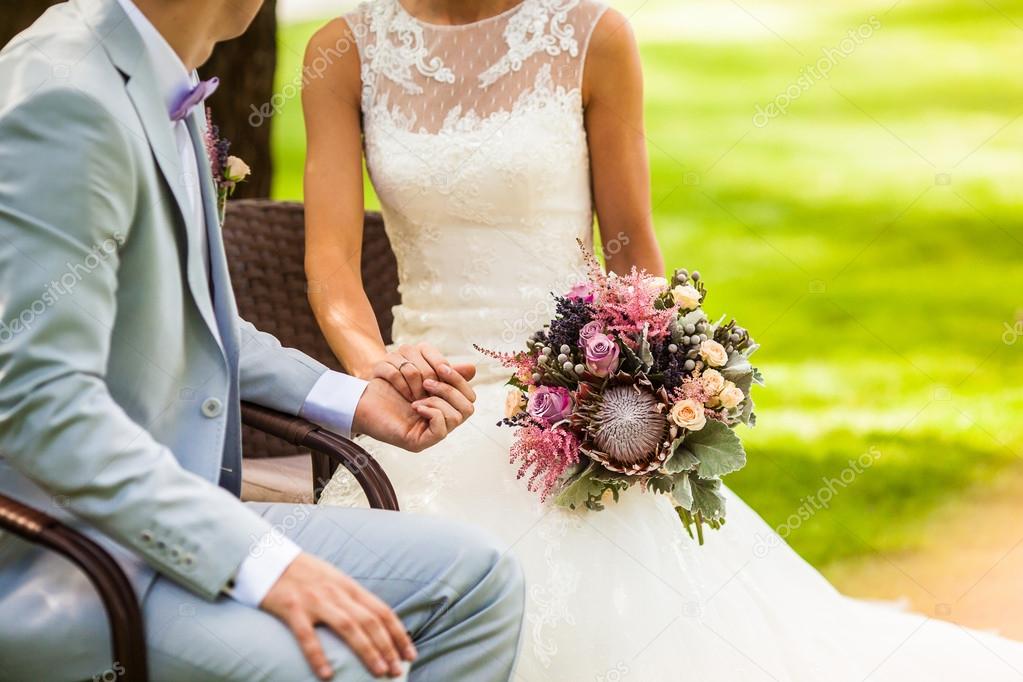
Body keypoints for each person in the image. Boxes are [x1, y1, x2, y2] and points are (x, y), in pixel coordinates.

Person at [307, 0, 1023, 678]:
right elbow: (332, 259)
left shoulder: (593, 36)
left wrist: (639, 379)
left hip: (570, 399)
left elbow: (630, 246)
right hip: (426, 398)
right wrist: (378, 369)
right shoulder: (342, 51)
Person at [0, 0, 524, 680]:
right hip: (69, 564)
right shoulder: (66, 93)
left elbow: (199, 324)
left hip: (162, 530)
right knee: (341, 661)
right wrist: (258, 560)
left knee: (478, 579)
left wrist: (358, 400)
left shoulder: (163, 76)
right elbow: (35, 399)